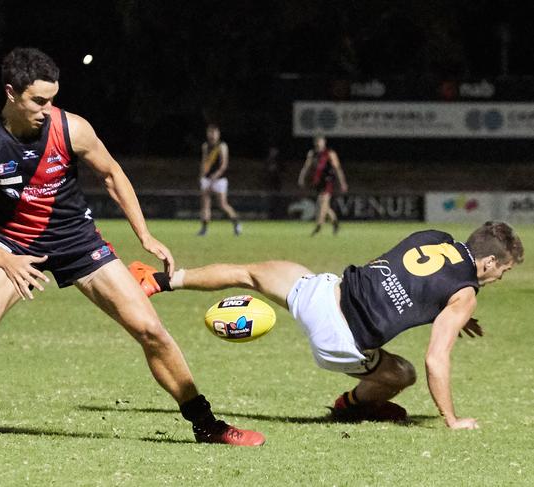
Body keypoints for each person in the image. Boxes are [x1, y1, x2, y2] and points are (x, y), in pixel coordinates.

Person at [0, 48, 264, 447]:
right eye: (39, 100)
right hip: (13, 243)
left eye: (53, 98)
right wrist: (4, 259)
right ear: (11, 93)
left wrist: (145, 235)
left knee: (152, 330)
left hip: (77, 241)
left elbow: (112, 175)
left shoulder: (72, 128)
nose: (48, 109)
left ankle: (207, 424)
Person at [130, 221, 523, 429]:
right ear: (488, 263)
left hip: (326, 293)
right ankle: (350, 405)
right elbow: (437, 359)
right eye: (501, 271)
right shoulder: (466, 291)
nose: (498, 279)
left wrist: (456, 311)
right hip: (341, 339)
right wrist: (452, 420)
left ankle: (159, 280)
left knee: (247, 272)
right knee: (403, 374)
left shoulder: (434, 236)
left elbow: (415, 278)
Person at [298, 135, 347, 235]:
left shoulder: (330, 153)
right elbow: (306, 167)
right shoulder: (312, 154)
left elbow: (338, 169)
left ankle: (318, 226)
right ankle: (335, 224)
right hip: (318, 182)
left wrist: (342, 182)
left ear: (324, 143)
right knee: (325, 206)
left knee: (321, 202)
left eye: (320, 142)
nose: (318, 144)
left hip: (328, 182)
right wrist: (301, 178)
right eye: (316, 142)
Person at [198, 124, 242, 236]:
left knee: (222, 204)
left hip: (219, 180)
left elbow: (224, 165)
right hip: (207, 179)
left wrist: (215, 176)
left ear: (218, 134)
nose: (212, 135)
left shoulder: (222, 146)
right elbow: (203, 162)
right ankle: (204, 229)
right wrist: (202, 176)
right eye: (210, 132)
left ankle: (236, 223)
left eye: (214, 132)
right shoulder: (205, 146)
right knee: (205, 204)